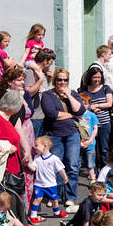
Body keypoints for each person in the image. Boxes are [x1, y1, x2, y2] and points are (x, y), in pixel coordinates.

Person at [40, 70, 85, 211]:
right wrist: (71, 115)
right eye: (59, 79)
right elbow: (51, 114)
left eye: (65, 80)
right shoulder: (48, 95)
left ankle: (70, 198)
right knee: (55, 166)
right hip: (54, 135)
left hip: (72, 134)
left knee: (72, 165)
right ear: (54, 80)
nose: (62, 83)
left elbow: (80, 110)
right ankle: (55, 196)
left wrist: (70, 97)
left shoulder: (73, 93)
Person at [80, 66, 113, 167]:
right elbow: (82, 105)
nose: (97, 80)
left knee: (104, 148)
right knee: (91, 148)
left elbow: (109, 103)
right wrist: (91, 108)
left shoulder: (105, 88)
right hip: (88, 124)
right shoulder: (85, 89)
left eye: (99, 77)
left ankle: (104, 170)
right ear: (90, 77)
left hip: (104, 123)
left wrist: (97, 105)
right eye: (95, 77)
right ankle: (92, 172)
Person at [30, 136, 69, 222]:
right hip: (39, 184)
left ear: (45, 146)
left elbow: (61, 169)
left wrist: (65, 177)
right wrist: (27, 164)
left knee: (54, 200)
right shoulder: (37, 158)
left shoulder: (54, 159)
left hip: (51, 184)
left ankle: (57, 212)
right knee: (38, 199)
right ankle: (33, 216)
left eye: (37, 145)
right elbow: (33, 168)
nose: (35, 147)